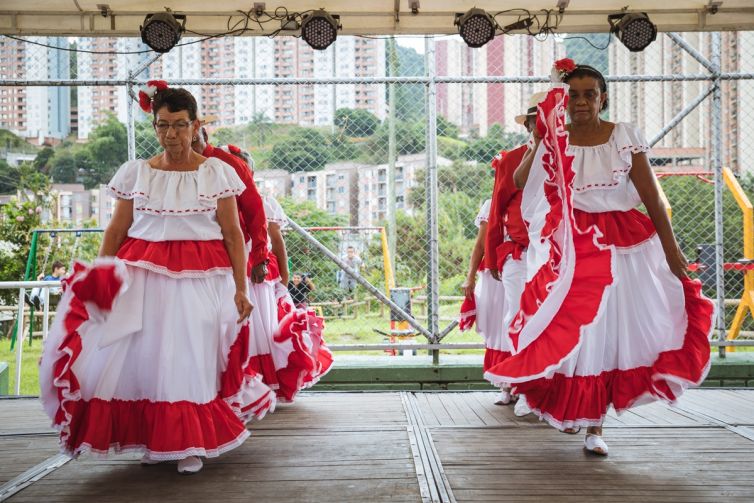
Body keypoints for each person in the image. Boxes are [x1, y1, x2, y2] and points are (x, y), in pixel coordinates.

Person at [39, 82, 275, 474]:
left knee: (190, 357)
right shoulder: (136, 173)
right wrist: (102, 276)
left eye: (179, 125)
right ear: (154, 126)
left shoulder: (217, 172)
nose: (171, 134)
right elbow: (117, 231)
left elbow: (234, 235)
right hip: (142, 276)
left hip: (203, 278)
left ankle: (188, 444)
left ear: (195, 125)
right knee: (147, 359)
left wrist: (240, 287)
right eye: (162, 125)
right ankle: (158, 440)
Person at [485, 60, 714, 456]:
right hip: (571, 246)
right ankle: (571, 408)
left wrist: (673, 249)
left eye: (589, 94)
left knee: (610, 335)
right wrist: (541, 138)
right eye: (573, 95)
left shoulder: (623, 135)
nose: (581, 102)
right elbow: (521, 181)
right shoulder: (556, 138)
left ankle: (596, 426)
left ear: (602, 98)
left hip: (621, 246)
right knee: (573, 333)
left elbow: (652, 196)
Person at [246, 194, 333, 402]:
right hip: (231, 270)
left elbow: (276, 240)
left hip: (262, 273)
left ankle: (264, 385)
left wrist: (284, 281)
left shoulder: (263, 201)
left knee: (264, 329)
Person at [192, 123, 269, 284]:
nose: (189, 147)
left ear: (204, 135)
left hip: (230, 250)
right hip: (191, 253)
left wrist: (260, 257)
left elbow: (254, 211)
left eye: (194, 140)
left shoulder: (231, 163)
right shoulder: (169, 167)